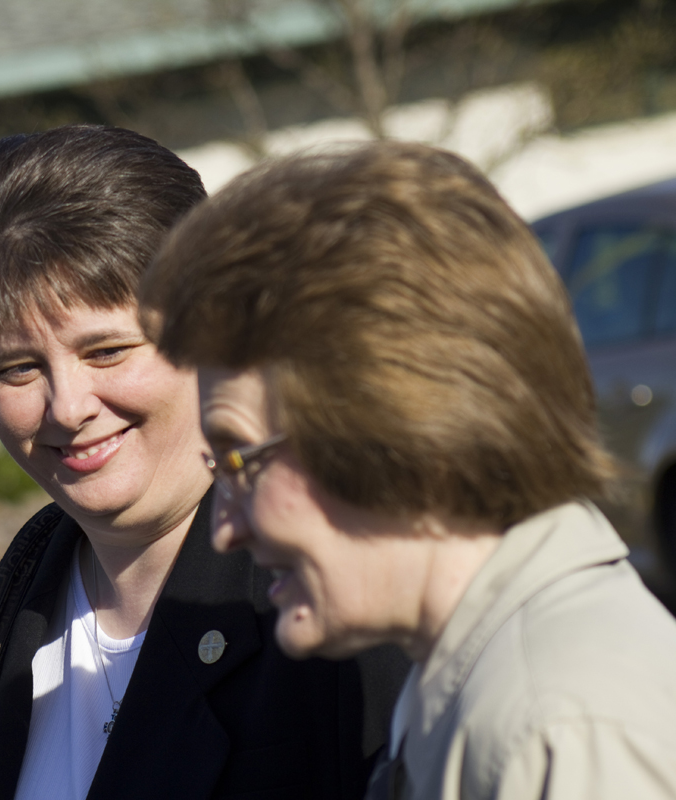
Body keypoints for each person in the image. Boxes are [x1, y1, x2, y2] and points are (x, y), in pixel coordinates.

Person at [138, 140, 676, 800]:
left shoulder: (557, 725)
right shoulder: (477, 679)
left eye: (241, 461)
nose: (225, 527)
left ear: (400, 432)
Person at [0, 124, 407, 800]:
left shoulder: (335, 580)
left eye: (107, 352)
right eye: (17, 367)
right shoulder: (16, 599)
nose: (67, 406)